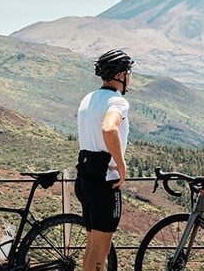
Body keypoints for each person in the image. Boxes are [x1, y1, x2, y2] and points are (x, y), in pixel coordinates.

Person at [75, 49, 134, 271]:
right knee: (101, 252)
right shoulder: (117, 102)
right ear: (121, 74)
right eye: (128, 72)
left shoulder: (88, 98)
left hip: (85, 176)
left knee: (92, 248)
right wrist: (121, 164)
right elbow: (109, 129)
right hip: (105, 181)